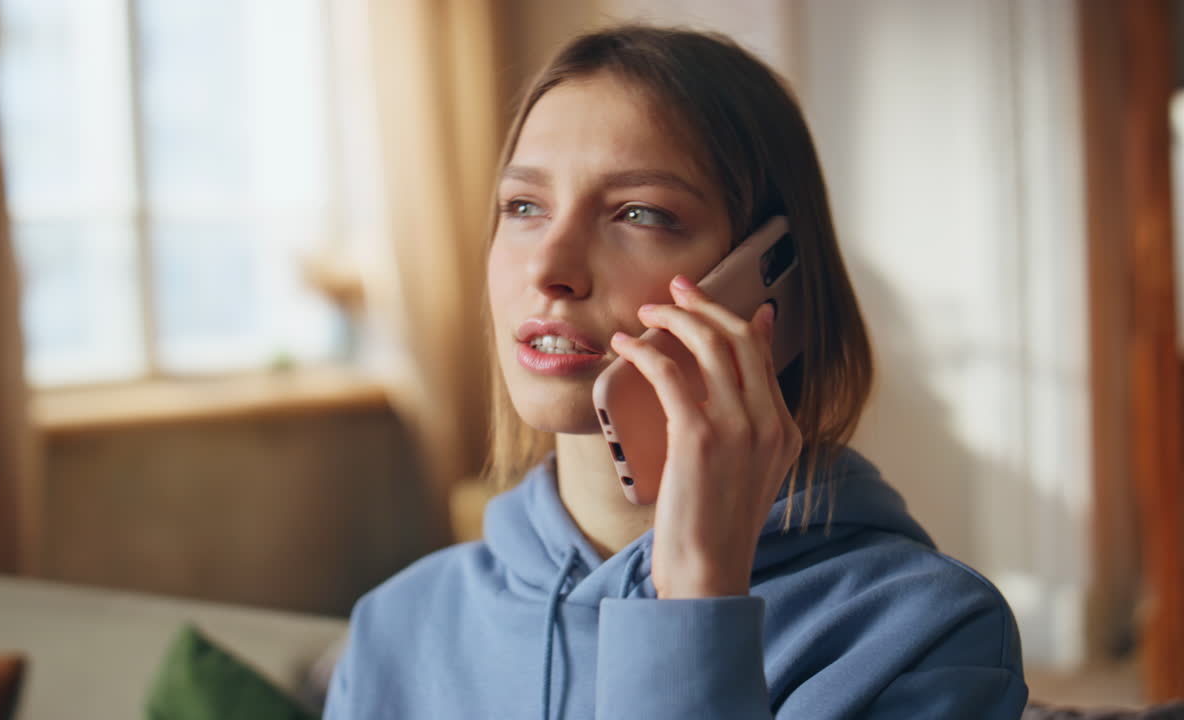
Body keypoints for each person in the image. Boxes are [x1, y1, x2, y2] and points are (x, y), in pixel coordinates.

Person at [324, 24, 1027, 719]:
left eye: (640, 213)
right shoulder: (395, 630)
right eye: (524, 206)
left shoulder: (926, 635)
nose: (549, 268)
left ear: (768, 285)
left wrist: (697, 597)